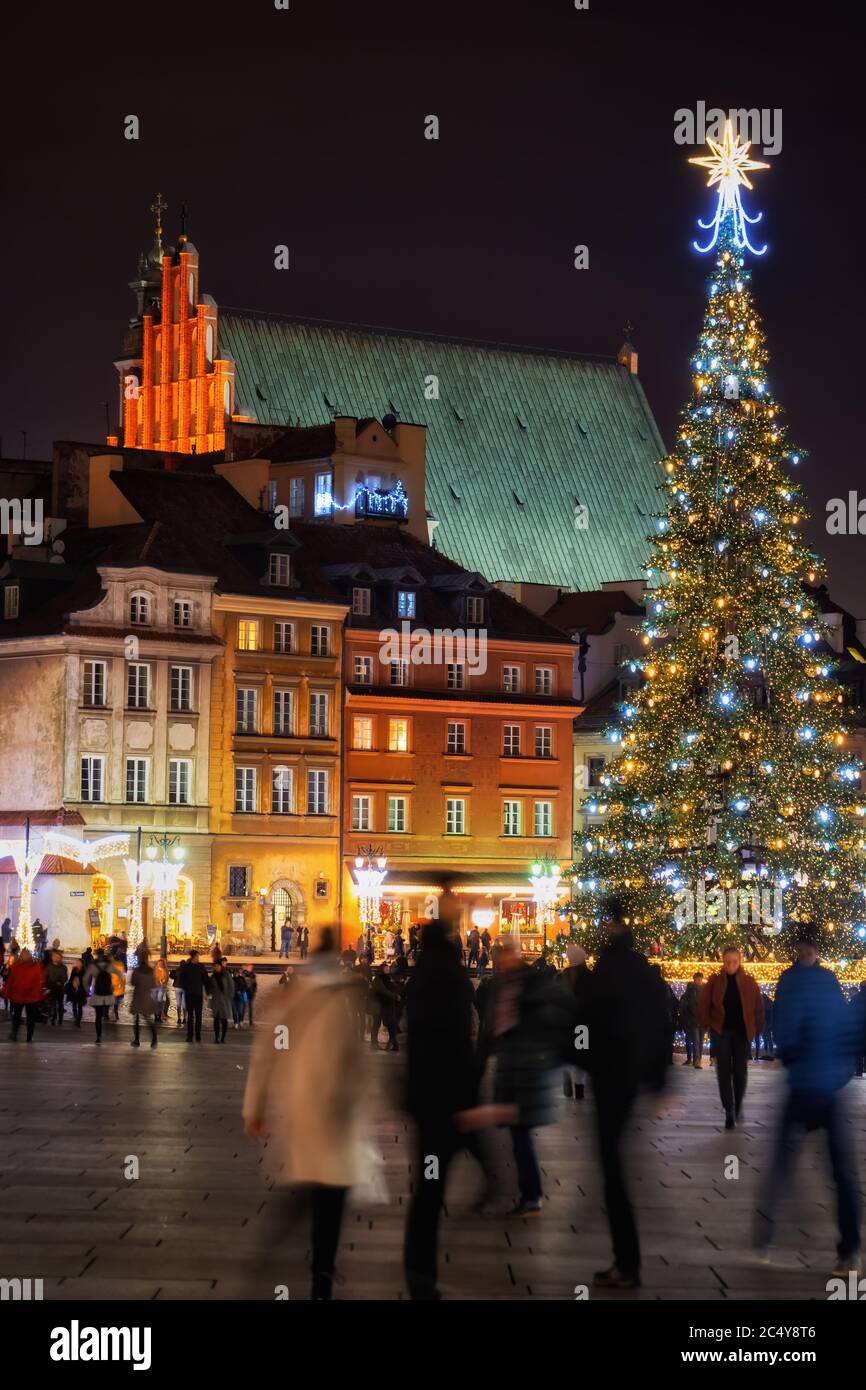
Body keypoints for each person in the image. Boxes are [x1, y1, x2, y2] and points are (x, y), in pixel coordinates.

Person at [243, 927, 368, 1300]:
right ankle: (321, 1274)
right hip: (335, 1114)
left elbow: (266, 1053)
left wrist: (255, 1107)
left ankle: (278, 1253)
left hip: (301, 1112)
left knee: (311, 1186)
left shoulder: (293, 997)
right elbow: (356, 1061)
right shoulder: (345, 997)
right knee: (330, 1194)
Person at [571, 897, 671, 1290]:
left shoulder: (606, 970)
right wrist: (659, 1079)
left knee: (612, 1167)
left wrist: (574, 1056)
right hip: (630, 1079)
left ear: (610, 927)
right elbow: (659, 1022)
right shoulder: (642, 970)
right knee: (615, 1163)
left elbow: (585, 1021)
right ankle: (625, 1257)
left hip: (609, 1078)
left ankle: (626, 1263)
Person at [754, 928, 861, 1275]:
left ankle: (764, 1236)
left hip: (804, 1083)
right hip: (828, 1084)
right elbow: (843, 1028)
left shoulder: (789, 982)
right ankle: (850, 1248)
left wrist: (788, 1053)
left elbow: (785, 1029)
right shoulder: (829, 982)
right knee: (840, 1170)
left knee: (782, 1163)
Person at [403, 910, 480, 1299]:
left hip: (424, 1098)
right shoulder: (451, 981)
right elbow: (458, 1043)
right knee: (433, 1185)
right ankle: (420, 1270)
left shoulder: (420, 979)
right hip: (447, 1100)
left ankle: (419, 1267)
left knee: (429, 1186)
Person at [471, 932, 571, 1216]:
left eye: (504, 953)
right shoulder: (499, 986)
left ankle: (527, 1194)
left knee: (518, 1134)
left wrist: (548, 1051)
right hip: (510, 1069)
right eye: (498, 954)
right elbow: (491, 1029)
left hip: (527, 1071)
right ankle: (520, 1192)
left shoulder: (534, 983)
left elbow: (561, 1016)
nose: (501, 959)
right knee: (514, 1134)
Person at [698, 944, 764, 1128]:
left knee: (740, 1072)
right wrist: (707, 1023)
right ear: (723, 961)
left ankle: (738, 1104)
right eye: (727, 961)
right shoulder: (714, 981)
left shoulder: (749, 982)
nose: (731, 965)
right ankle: (728, 1109)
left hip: (742, 1033)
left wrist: (757, 1027)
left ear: (740, 961)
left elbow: (758, 1007)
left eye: (734, 961)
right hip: (722, 1032)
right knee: (724, 1072)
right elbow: (704, 1004)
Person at [3, 948, 46, 1041]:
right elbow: (11, 980)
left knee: (30, 1017)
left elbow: (39, 981)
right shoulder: (16, 966)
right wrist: (7, 992)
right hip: (18, 995)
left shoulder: (35, 966)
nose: (24, 956)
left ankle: (30, 1035)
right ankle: (14, 1033)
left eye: (26, 954)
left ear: (30, 956)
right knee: (16, 1016)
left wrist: (38, 992)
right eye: (23, 954)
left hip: (31, 997)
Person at [177, 950, 211, 1042]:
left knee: (198, 1016)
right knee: (190, 1016)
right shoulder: (186, 967)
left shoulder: (201, 967)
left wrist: (207, 992)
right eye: (197, 956)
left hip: (198, 994)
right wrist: (186, 988)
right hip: (189, 995)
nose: (198, 958)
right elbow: (182, 980)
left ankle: (198, 1036)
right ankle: (190, 1035)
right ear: (193, 957)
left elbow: (206, 980)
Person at [85, 949, 116, 1043]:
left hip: (98, 991)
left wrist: (88, 989)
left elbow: (89, 977)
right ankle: (105, 1014)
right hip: (106, 991)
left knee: (98, 1016)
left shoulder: (94, 963)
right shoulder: (108, 963)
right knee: (102, 1012)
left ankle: (99, 1036)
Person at [129, 951, 159, 1048]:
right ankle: (154, 1038)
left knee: (137, 1019)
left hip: (138, 996)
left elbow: (133, 983)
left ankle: (137, 1040)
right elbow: (154, 985)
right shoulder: (150, 970)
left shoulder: (137, 970)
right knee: (147, 1018)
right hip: (147, 997)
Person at [679, 971, 705, 1067]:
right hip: (694, 1020)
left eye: (700, 979)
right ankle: (696, 1060)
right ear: (694, 980)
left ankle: (698, 1059)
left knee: (700, 1041)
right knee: (696, 1041)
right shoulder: (691, 990)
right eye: (698, 979)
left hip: (702, 1021)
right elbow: (689, 1006)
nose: (699, 981)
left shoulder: (704, 990)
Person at [209, 959, 234, 1042]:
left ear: (220, 966)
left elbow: (231, 986)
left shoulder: (226, 974)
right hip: (216, 1000)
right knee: (216, 1019)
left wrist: (229, 997)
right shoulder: (213, 976)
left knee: (224, 1020)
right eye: (214, 966)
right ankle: (216, 1037)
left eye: (217, 966)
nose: (215, 967)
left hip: (224, 1001)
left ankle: (223, 1037)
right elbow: (211, 987)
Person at [44, 948, 69, 1026]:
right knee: (52, 1004)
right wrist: (47, 985)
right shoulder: (48, 966)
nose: (55, 958)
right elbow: (45, 976)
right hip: (51, 987)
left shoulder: (63, 967)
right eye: (54, 956)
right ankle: (53, 1018)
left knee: (60, 1004)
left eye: (57, 957)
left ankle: (60, 1018)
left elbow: (65, 978)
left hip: (59, 988)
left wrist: (60, 982)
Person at [66, 958, 87, 1027]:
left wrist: (79, 982)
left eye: (78, 962)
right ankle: (76, 1017)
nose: (77, 963)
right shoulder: (74, 969)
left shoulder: (85, 971)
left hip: (81, 990)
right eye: (76, 962)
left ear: (82, 963)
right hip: (73, 990)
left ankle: (78, 1021)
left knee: (80, 1006)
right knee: (74, 1005)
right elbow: (71, 978)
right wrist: (71, 983)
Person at [109, 954, 126, 1022]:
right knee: (116, 1001)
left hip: (113, 985)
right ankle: (115, 1013)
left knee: (113, 1000)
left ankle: (112, 1013)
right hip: (119, 986)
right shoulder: (121, 966)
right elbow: (123, 977)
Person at [153, 957, 169, 1022]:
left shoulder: (165, 971)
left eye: (161, 964)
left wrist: (163, 982)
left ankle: (159, 1016)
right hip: (154, 988)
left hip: (161, 988)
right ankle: (155, 1016)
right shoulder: (154, 970)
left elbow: (166, 979)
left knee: (159, 1002)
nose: (160, 965)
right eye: (159, 963)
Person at [170, 964, 186, 1028]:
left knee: (178, 1004)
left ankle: (179, 1018)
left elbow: (172, 976)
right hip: (184, 988)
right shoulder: (186, 971)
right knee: (184, 1004)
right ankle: (184, 1018)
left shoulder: (177, 970)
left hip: (177, 987)